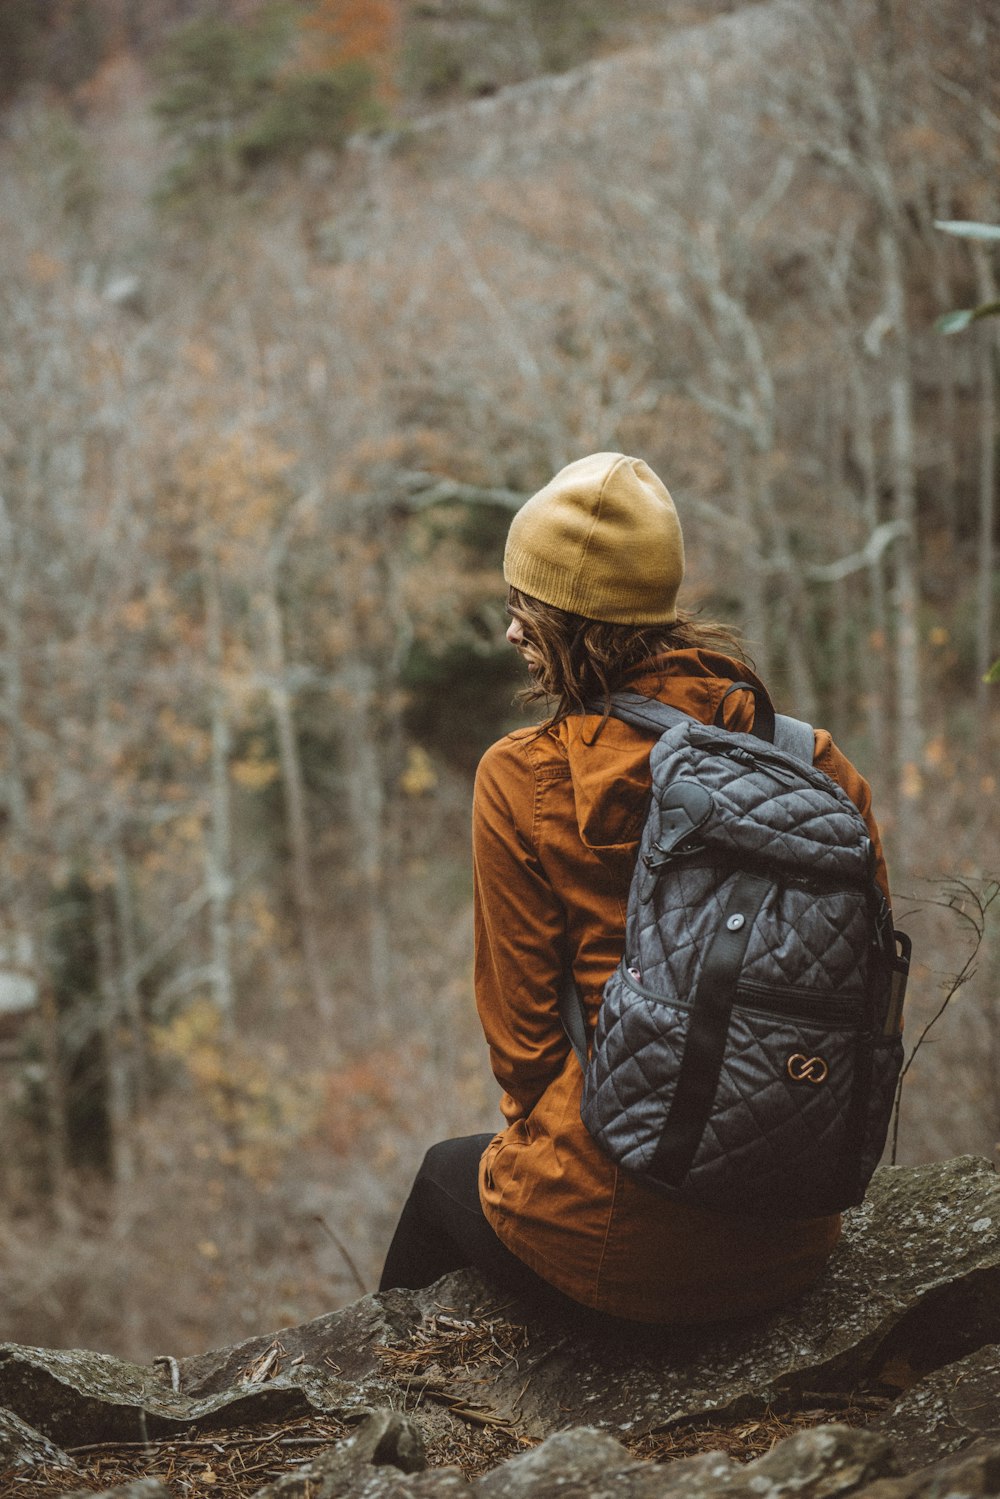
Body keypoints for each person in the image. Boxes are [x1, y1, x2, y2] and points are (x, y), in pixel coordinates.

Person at [379, 451, 890, 1323]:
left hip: (612, 1242)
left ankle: (386, 1431)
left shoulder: (523, 778)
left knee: (442, 1175)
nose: (510, 631)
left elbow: (527, 1053)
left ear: (575, 624)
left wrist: (570, 1161)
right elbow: (871, 1010)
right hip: (798, 1237)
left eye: (523, 607)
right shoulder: (814, 763)